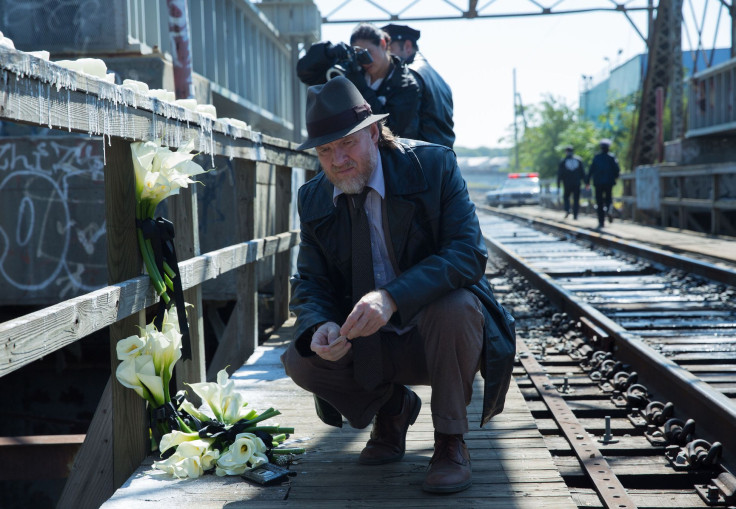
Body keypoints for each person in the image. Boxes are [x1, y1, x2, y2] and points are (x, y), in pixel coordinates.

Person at [281, 76, 516, 494]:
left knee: (456, 305)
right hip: (366, 340)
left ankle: (449, 441)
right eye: (325, 150)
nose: (338, 160)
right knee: (301, 357)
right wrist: (318, 325)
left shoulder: (434, 166)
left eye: (347, 143)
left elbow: (468, 253)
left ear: (373, 132)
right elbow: (311, 282)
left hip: (437, 333)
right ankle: (392, 409)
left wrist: (392, 297)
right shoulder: (313, 197)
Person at [296, 23, 421, 139]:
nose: (365, 61)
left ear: (383, 44)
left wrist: (358, 85)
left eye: (368, 53)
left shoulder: (406, 84)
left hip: (386, 159)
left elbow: (389, 129)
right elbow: (305, 74)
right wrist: (327, 52)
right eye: (358, 54)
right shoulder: (352, 71)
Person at [382, 23, 455, 148]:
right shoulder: (439, 79)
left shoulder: (408, 76)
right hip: (440, 158)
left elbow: (403, 130)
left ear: (407, 46)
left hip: (419, 158)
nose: (384, 56)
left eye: (388, 49)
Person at [586, 139, 621, 228]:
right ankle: (609, 209)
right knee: (609, 199)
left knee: (599, 202)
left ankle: (601, 222)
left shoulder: (596, 157)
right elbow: (617, 170)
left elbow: (591, 171)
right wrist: (615, 178)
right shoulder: (611, 157)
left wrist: (587, 182)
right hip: (609, 182)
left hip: (598, 183)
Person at [557, 145, 585, 220]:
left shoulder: (563, 161)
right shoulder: (578, 160)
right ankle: (575, 215)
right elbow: (583, 172)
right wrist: (586, 182)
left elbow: (560, 173)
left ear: (566, 151)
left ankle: (567, 209)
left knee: (566, 197)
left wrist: (558, 183)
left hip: (567, 183)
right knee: (576, 199)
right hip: (577, 183)